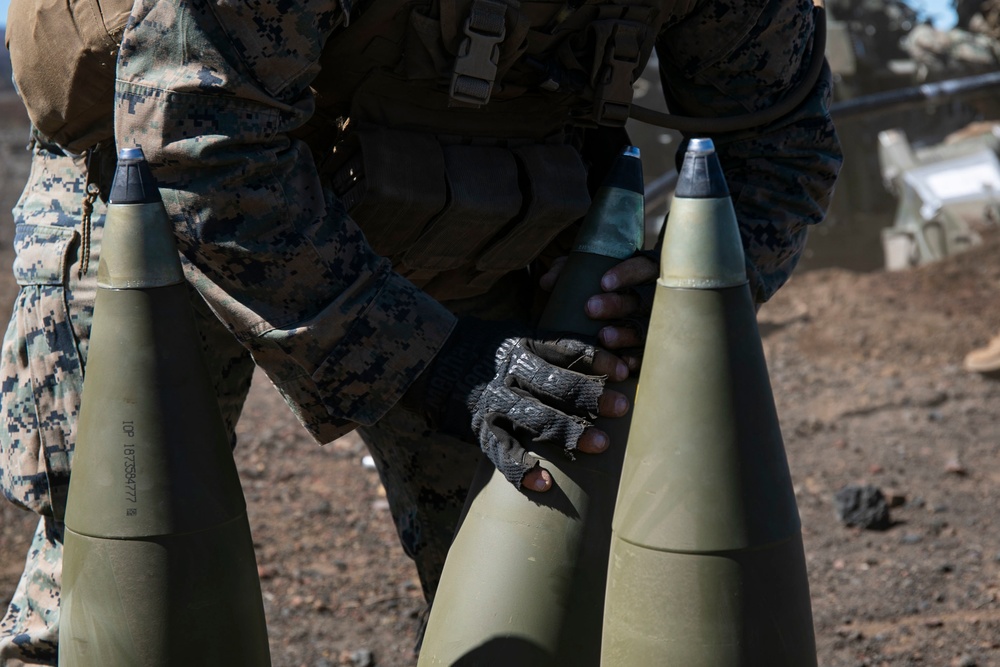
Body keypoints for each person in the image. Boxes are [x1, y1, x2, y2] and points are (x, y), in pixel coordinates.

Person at [0, 0, 842, 663]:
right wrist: (436, 366)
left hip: (480, 209)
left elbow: (783, 140)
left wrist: (674, 303)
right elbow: (195, 136)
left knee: (551, 590)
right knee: (107, 599)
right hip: (154, 202)